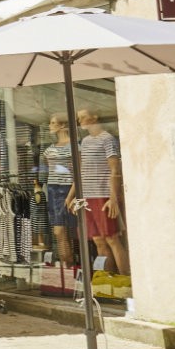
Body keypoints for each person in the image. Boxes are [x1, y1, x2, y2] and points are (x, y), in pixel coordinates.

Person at [77, 108, 127, 275]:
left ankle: (127, 283)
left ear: (95, 116)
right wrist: (74, 196)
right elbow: (82, 171)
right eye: (79, 118)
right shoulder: (85, 141)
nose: (80, 120)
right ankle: (108, 281)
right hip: (88, 196)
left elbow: (115, 169)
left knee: (112, 238)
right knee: (98, 240)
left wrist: (113, 198)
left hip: (103, 194)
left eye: (83, 116)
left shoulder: (108, 139)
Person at [41, 114, 78, 265]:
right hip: (53, 190)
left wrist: (71, 196)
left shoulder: (74, 146)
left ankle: (70, 267)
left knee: (65, 232)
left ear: (63, 126)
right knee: (60, 233)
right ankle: (68, 269)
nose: (50, 126)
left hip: (67, 189)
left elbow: (77, 173)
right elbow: (50, 170)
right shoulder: (49, 150)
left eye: (53, 123)